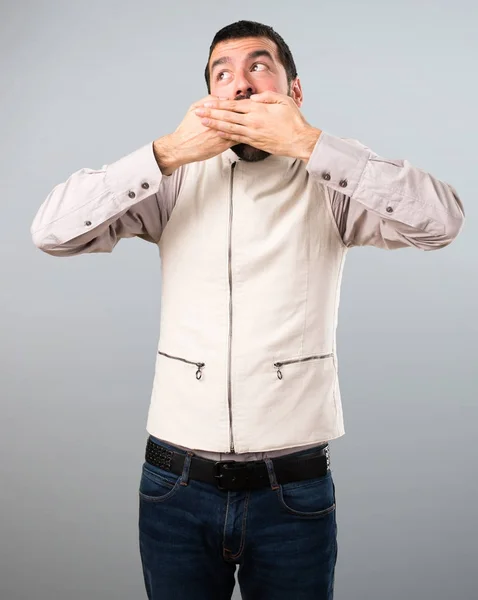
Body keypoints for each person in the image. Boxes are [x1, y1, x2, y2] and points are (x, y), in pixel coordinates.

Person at [30, 19, 465, 600]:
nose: (239, 85)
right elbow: (51, 233)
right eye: (222, 74)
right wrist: (170, 150)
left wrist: (311, 143)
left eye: (259, 66)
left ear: (294, 91)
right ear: (209, 97)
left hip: (294, 487)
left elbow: (441, 222)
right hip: (174, 483)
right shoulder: (172, 175)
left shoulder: (333, 174)